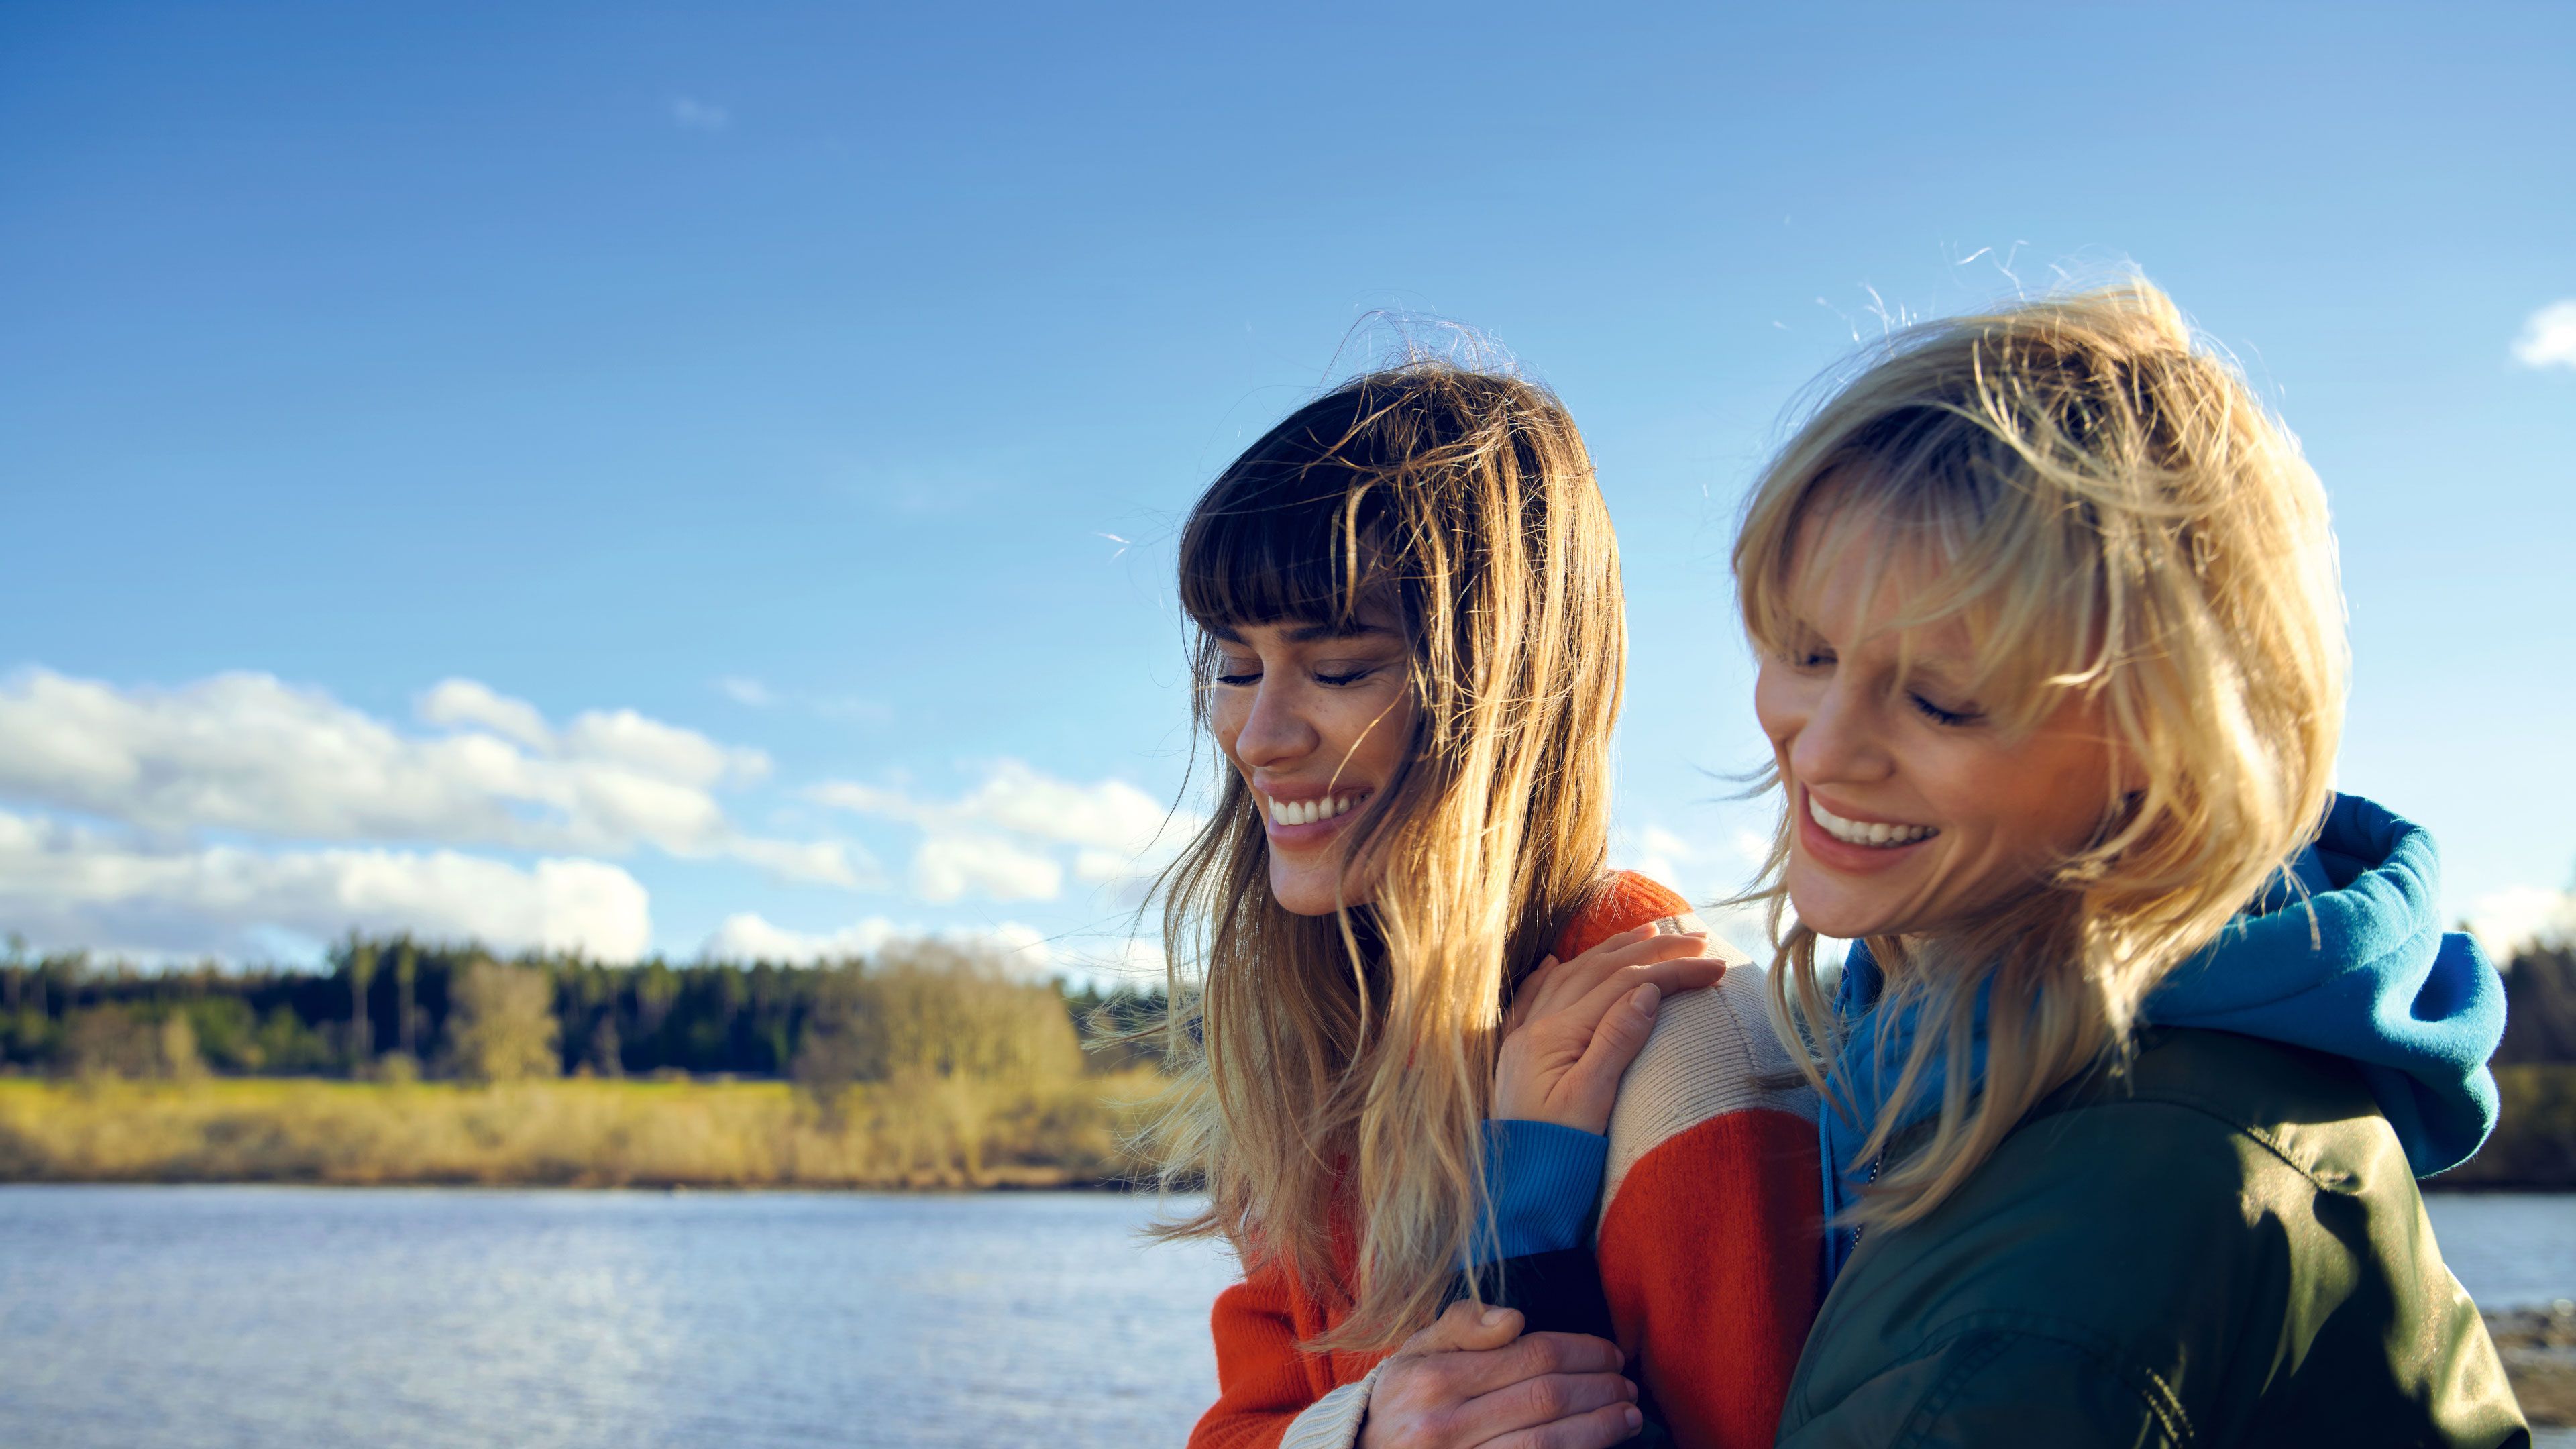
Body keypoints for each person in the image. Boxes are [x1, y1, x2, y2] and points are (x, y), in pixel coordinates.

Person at [1717, 282, 2525, 1444]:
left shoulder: (2068, 1268)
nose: (1824, 746)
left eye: (1944, 702)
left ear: (2175, 749)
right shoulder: (2066, 1049)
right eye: (1806, 651)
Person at [1147, 363, 1823, 1449]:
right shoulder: (1330, 1036)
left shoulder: (1680, 1055)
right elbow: (1241, 1423)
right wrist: (1364, 1433)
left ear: (1505, 704)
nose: (1258, 736)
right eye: (1235, 665)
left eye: (1340, 667)